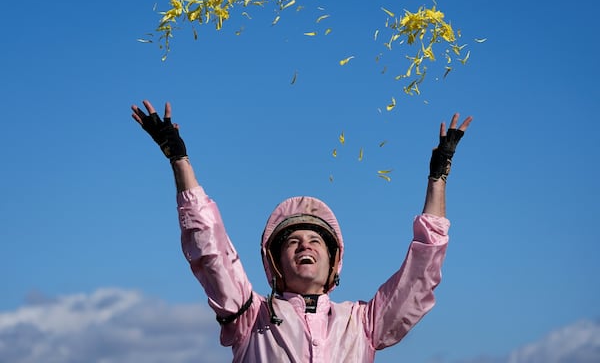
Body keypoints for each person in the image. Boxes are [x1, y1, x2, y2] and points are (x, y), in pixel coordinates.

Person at [131, 100, 472, 363]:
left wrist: (438, 179)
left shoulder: (363, 322)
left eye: (315, 241)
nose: (304, 246)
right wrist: (179, 161)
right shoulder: (252, 317)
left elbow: (420, 274)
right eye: (292, 241)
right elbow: (211, 251)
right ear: (276, 263)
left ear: (333, 261)